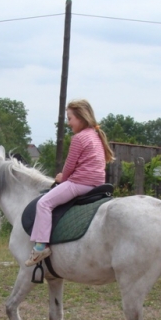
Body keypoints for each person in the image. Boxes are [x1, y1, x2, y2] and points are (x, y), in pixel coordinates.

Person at [26, 99, 114, 266]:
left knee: (44, 204)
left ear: (80, 118)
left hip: (80, 183)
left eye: (70, 118)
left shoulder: (79, 138)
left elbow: (69, 166)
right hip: (97, 183)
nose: (68, 123)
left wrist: (61, 178)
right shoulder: (96, 136)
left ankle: (40, 247)